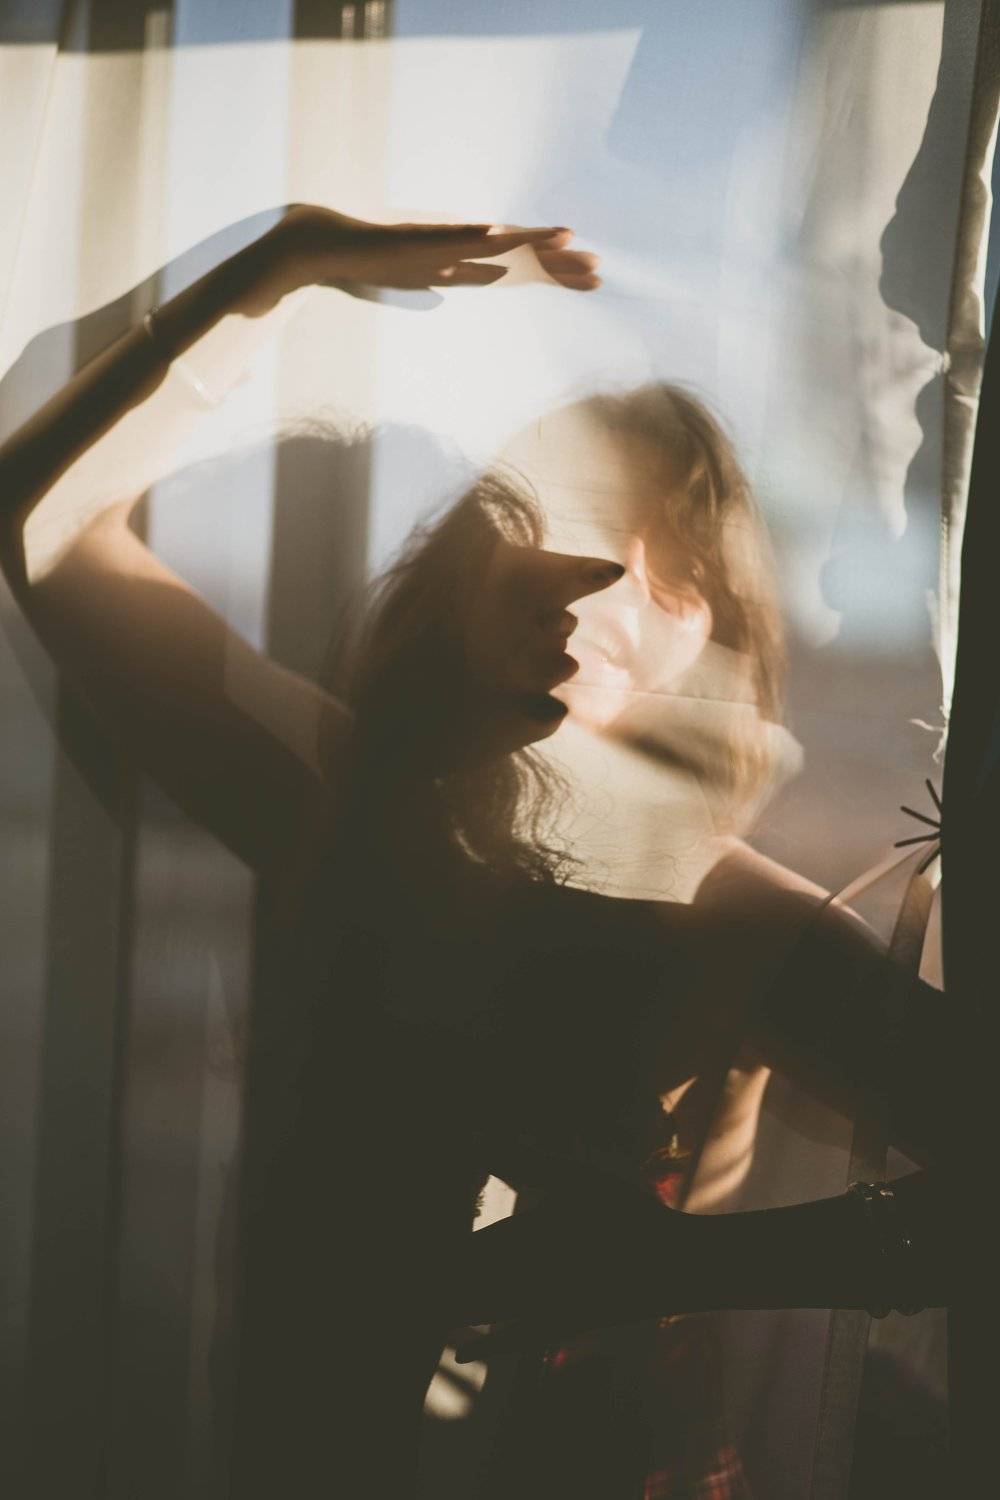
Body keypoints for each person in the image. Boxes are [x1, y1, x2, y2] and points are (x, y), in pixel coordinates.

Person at [0, 205, 949, 1496]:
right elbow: (50, 531)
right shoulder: (344, 797)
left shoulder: (728, 916)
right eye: (571, 525)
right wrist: (281, 268)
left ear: (716, 634)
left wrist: (677, 1269)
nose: (605, 592)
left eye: (674, 574)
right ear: (469, 569)